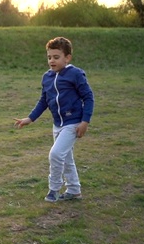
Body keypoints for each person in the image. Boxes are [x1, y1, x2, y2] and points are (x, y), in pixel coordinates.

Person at [13, 37, 94, 203]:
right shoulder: (47, 77)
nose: (52, 61)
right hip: (57, 124)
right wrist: (29, 118)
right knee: (66, 158)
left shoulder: (76, 74)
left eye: (56, 57)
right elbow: (44, 100)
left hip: (73, 123)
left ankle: (54, 189)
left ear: (67, 58)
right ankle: (74, 190)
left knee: (56, 154)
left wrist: (85, 121)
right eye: (49, 57)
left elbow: (89, 97)